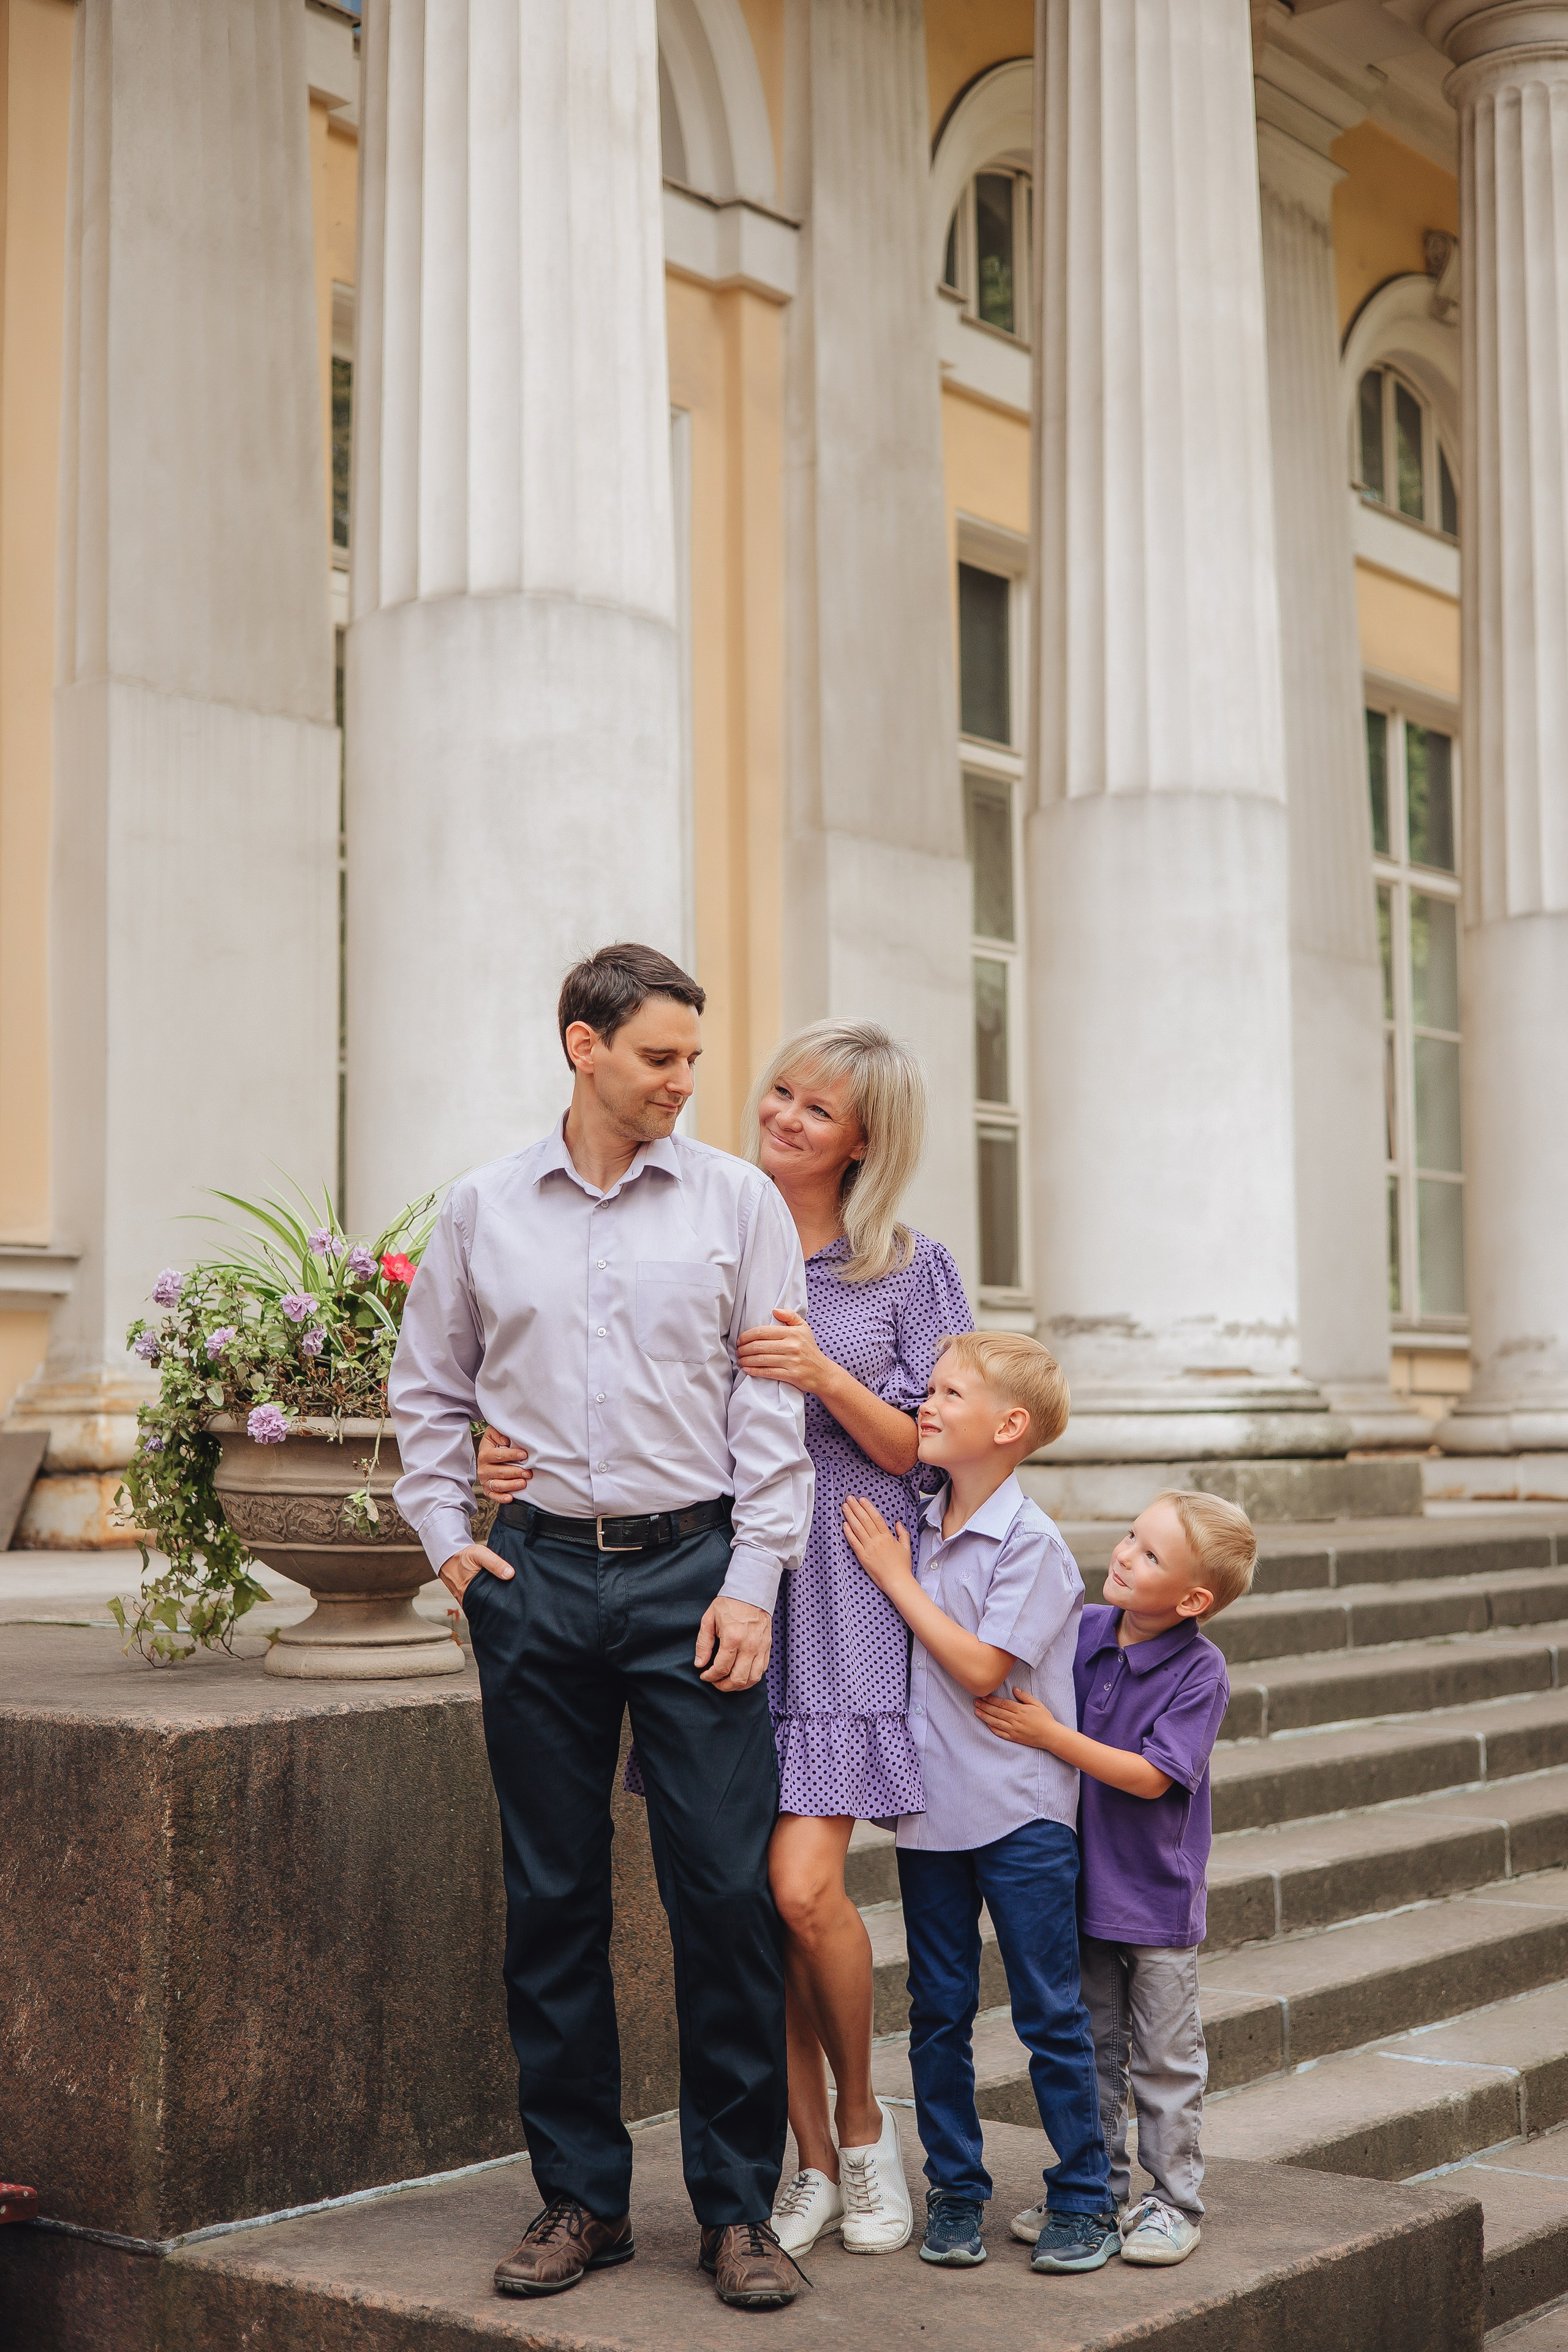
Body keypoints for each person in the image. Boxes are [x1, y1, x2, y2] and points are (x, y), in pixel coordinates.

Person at [480, 1020, 972, 2260]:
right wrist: (504, 1453)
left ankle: (862, 2134)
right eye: (782, 1092)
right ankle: (795, 2166)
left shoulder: (908, 1269)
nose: (783, 1116)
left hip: (834, 1594)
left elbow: (936, 1445)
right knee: (738, 1889)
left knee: (798, 1891)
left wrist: (819, 1373)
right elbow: (604, 1375)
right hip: (702, 1578)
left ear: (867, 1139)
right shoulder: (694, 1211)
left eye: (819, 1109)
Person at [388, 943, 815, 2313]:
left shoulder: (737, 1203)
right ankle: (579, 2199)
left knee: (725, 1901)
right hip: (537, 1585)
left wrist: (753, 1581)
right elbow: (427, 1389)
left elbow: (769, 1411)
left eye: (693, 1057)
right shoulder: (483, 1208)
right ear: (584, 1047)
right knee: (553, 1900)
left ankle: (738, 2212)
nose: (687, 1081)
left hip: (694, 1573)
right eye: (660, 1058)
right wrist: (453, 1544)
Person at [842, 1330, 1120, 2277]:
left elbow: (978, 1667)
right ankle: (957, 2192)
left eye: (950, 1393)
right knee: (938, 2010)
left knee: (1048, 2011)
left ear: (1008, 1427)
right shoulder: (915, 1517)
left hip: (1021, 1811)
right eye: (930, 1387)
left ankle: (1085, 2196)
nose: (926, 1402)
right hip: (931, 1811)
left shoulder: (1032, 1545)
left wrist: (895, 1580)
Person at [984, 1490, 1256, 2267]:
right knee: (1090, 2047)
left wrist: (1051, 1735)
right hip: (1081, 1890)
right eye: (1131, 1536)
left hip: (1155, 1898)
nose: (1125, 1554)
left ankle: (1173, 2201)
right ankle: (1090, 2192)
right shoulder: (1085, 1629)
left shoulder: (1200, 1671)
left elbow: (1148, 1777)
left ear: (1193, 1598)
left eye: (1150, 1555)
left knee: (1164, 2058)